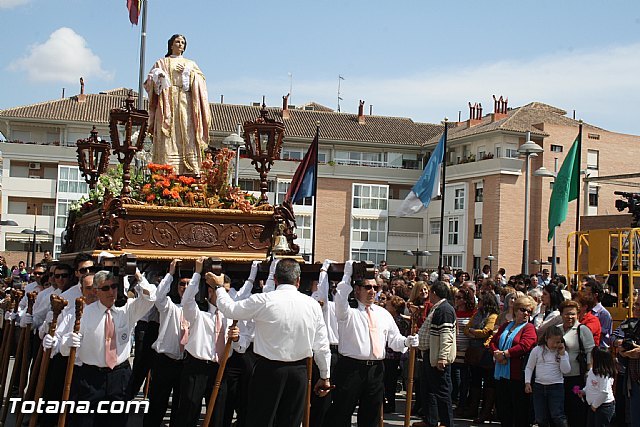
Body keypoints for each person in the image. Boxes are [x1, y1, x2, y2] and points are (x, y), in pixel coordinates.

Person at [215, 258, 331, 427]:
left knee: (260, 421)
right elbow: (321, 345)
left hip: (268, 372)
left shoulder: (263, 300)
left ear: (275, 279)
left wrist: (219, 288)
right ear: (298, 281)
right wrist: (325, 376)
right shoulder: (312, 305)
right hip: (298, 373)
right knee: (290, 422)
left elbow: (230, 309)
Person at [61, 269, 156, 426]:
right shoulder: (84, 313)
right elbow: (66, 351)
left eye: (114, 286)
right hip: (91, 378)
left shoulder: (127, 310)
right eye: (105, 288)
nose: (111, 291)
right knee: (87, 422)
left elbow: (151, 297)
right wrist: (69, 341)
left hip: (120, 376)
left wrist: (138, 276)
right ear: (96, 291)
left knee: (117, 422)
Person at [328, 262, 418, 427]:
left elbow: (394, 340)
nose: (372, 292)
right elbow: (340, 298)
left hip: (376, 369)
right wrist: (347, 276)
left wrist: (406, 341)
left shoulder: (383, 314)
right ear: (357, 290)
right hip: (351, 368)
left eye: (375, 288)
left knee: (372, 415)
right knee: (342, 412)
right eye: (368, 287)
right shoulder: (348, 312)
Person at [176, 257, 239, 427]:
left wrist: (237, 338)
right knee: (188, 414)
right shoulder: (198, 313)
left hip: (220, 369)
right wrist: (197, 273)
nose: (223, 294)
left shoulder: (232, 315)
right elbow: (187, 301)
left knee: (217, 416)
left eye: (226, 290)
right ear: (210, 291)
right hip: (197, 369)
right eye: (219, 290)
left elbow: (241, 345)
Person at [144, 34, 211, 176]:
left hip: (186, 103)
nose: (180, 44)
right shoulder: (161, 62)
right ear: (171, 45)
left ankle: (190, 167)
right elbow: (149, 83)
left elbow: (201, 82)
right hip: (166, 101)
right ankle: (166, 167)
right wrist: (158, 78)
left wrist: (188, 73)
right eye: (177, 42)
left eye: (183, 42)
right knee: (169, 133)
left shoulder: (191, 64)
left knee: (187, 129)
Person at [143, 259, 187, 427]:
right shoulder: (169, 307)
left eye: (189, 284)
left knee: (179, 406)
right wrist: (171, 273)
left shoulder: (198, 311)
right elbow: (159, 296)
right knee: (157, 404)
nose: (185, 287)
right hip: (165, 362)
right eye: (182, 284)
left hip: (185, 363)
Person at [414, 280, 456, 427]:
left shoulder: (445, 310)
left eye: (430, 292)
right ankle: (430, 421)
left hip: (437, 356)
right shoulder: (437, 308)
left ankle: (446, 423)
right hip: (429, 355)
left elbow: (447, 336)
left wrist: (442, 357)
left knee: (442, 392)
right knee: (427, 390)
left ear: (434, 293)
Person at [489, 296, 537, 427]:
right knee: (504, 409)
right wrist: (496, 353)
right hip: (501, 373)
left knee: (519, 411)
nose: (526, 313)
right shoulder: (506, 325)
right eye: (523, 310)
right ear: (515, 310)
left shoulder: (529, 327)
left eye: (529, 311)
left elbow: (525, 345)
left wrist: (505, 354)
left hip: (517, 375)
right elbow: (493, 341)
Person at [463, 292, 499, 422]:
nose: (479, 303)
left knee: (488, 382)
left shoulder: (493, 316)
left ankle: (485, 411)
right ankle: (473, 408)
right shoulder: (477, 315)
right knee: (475, 381)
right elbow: (466, 328)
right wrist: (473, 332)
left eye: (481, 301)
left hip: (485, 352)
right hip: (474, 351)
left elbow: (487, 331)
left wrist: (474, 332)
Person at [524, 326, 571, 427]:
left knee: (557, 415)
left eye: (558, 342)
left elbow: (566, 370)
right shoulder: (537, 350)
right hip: (539, 387)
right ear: (546, 339)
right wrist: (527, 382)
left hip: (556, 386)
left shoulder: (562, 353)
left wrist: (562, 355)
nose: (555, 345)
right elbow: (529, 367)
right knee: (540, 417)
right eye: (553, 341)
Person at [559, 299, 596, 427]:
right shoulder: (556, 330)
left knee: (577, 410)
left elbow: (590, 352)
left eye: (573, 314)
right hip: (558, 378)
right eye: (567, 313)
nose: (570, 317)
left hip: (576, 379)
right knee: (561, 411)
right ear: (561, 314)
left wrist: (588, 373)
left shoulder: (582, 330)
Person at [383, 295, 410, 413]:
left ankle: (390, 404)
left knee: (390, 381)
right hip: (387, 355)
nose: (385, 306)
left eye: (388, 305)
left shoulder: (399, 322)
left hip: (393, 356)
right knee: (386, 381)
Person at [578, 347, 616, 427]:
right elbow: (591, 386)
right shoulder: (592, 371)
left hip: (603, 406)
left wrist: (594, 406)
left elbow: (604, 393)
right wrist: (583, 391)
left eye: (592, 357)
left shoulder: (603, 375)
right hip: (593, 406)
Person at [451, 286, 475, 412]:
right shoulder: (453, 311)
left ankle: (462, 403)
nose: (456, 299)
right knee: (454, 378)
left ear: (466, 300)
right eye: (455, 297)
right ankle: (454, 400)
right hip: (454, 349)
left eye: (459, 297)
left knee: (464, 379)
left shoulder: (473, 313)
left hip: (466, 350)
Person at [582, 278, 612, 348]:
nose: (585, 297)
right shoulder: (585, 310)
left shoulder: (603, 314)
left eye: (588, 294)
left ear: (595, 295)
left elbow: (601, 334)